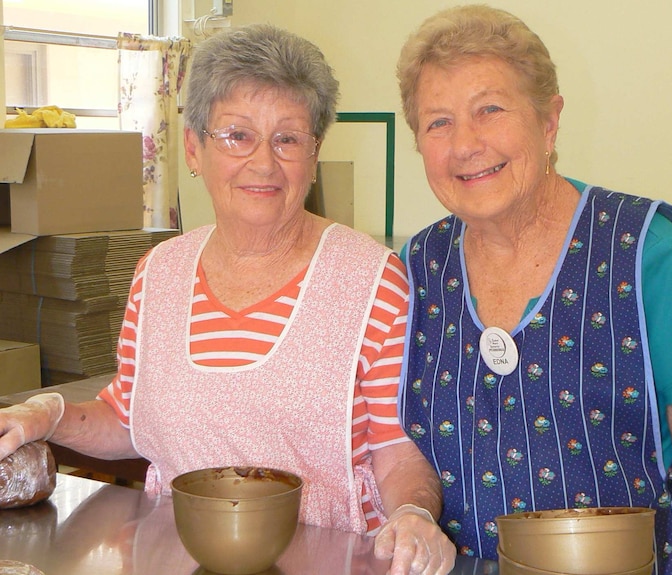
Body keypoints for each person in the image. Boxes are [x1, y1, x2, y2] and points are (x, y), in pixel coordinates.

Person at [395, 6, 672, 575]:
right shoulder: (419, 265)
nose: (465, 144)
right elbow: (404, 437)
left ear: (549, 121)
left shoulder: (638, 249)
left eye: (490, 110)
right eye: (438, 122)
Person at [0, 24, 454, 575]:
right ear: (193, 147)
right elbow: (129, 419)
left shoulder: (371, 279)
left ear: (314, 155)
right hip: (176, 558)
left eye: (287, 139)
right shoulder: (158, 274)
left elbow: (393, 444)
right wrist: (46, 415)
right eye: (237, 135)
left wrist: (413, 514)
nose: (263, 163)